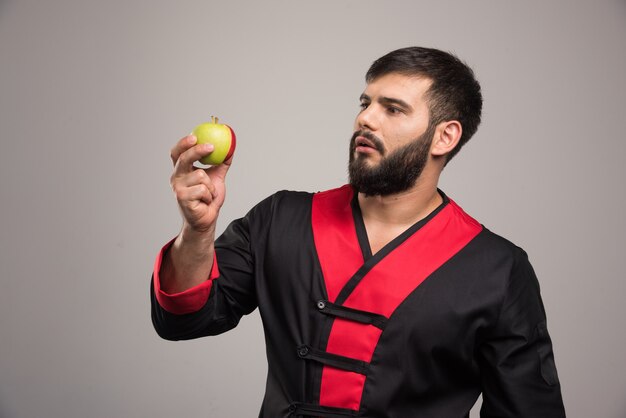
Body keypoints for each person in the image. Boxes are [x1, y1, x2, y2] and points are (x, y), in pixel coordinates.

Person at [151, 46, 566, 417]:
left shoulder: (497, 270)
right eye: (365, 102)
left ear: (445, 136)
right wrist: (197, 231)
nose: (365, 118)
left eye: (393, 108)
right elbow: (184, 320)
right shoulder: (282, 218)